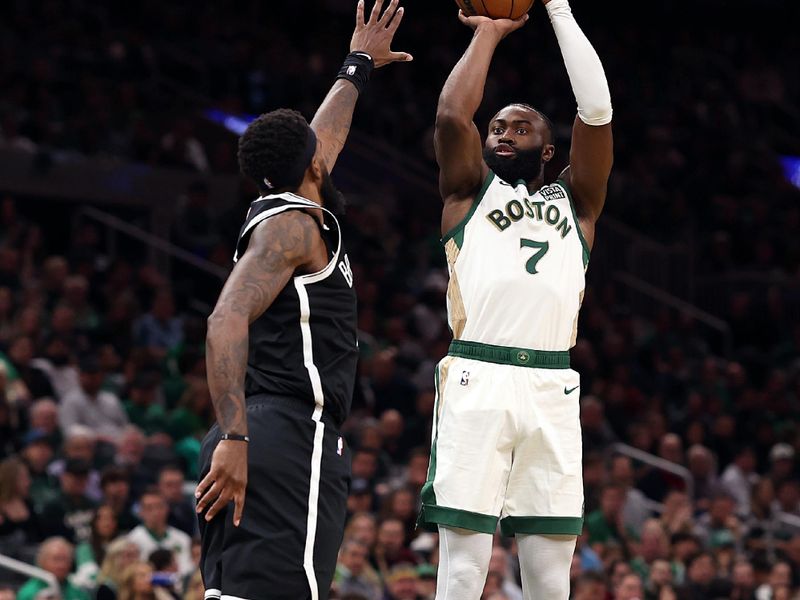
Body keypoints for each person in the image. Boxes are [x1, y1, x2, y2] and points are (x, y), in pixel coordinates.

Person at [193, 2, 412, 598]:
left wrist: (358, 65)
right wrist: (238, 440)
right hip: (283, 435)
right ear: (311, 164)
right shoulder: (291, 230)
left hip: (253, 432)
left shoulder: (285, 210)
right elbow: (225, 318)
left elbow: (326, 137)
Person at [417, 0, 613, 598]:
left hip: (552, 385)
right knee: (463, 568)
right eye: (498, 127)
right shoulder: (467, 192)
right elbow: (453, 113)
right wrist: (488, 33)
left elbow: (598, 111)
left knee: (551, 574)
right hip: (479, 373)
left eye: (520, 127)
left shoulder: (577, 203)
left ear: (548, 151)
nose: (504, 134)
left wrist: (558, 11)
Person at [127, 487, 193, 577]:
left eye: (159, 506)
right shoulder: (132, 540)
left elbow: (187, 570)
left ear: (167, 508)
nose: (155, 512)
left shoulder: (183, 539)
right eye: (149, 508)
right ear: (140, 512)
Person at [16, 537, 90, 600]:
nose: (61, 565)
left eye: (65, 559)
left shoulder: (78, 589)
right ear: (42, 561)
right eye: (56, 559)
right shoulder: (28, 593)